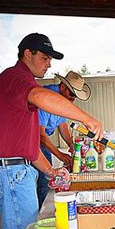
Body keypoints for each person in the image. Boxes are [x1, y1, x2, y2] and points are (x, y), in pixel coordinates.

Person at [0, 32, 103, 229]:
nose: (48, 64)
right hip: (10, 173)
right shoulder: (16, 77)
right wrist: (87, 119)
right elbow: (39, 96)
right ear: (28, 54)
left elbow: (27, 144)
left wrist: (50, 170)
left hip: (14, 170)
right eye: (45, 58)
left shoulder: (22, 85)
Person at [37, 71, 91, 208]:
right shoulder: (46, 97)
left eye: (75, 97)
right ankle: (42, 213)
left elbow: (62, 124)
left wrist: (71, 145)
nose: (73, 100)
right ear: (63, 87)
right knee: (43, 181)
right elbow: (40, 136)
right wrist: (60, 155)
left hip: (41, 142)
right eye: (72, 95)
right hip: (33, 142)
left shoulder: (62, 99)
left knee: (46, 180)